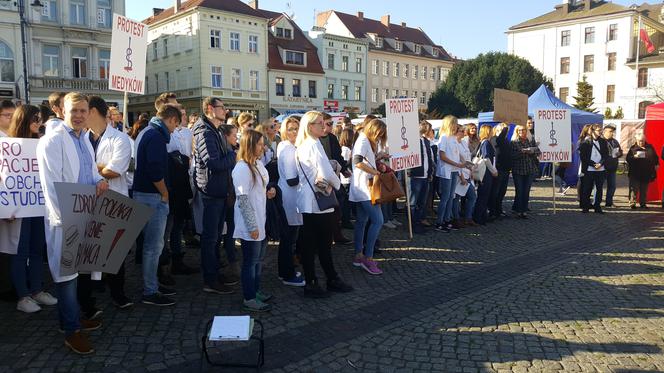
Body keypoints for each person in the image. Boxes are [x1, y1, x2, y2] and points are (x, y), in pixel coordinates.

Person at [37, 92, 109, 354]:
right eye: (73, 111)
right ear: (61, 112)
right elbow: (52, 185)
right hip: (66, 218)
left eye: (83, 111)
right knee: (66, 275)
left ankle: (72, 318)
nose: (79, 115)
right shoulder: (52, 141)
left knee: (78, 269)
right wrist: (68, 218)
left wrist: (99, 182)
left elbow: (89, 173)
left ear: (89, 112)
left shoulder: (85, 140)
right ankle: (71, 330)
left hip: (85, 212)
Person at [296, 111, 353, 297]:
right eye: (319, 123)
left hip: (309, 199)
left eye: (323, 122)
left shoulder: (304, 145)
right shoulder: (313, 144)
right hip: (318, 199)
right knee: (321, 243)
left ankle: (319, 280)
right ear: (310, 126)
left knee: (311, 243)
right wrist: (337, 184)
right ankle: (325, 280)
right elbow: (326, 172)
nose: (323, 126)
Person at [9, 105, 57, 313]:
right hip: (19, 207)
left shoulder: (41, 144)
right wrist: (6, 207)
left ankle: (37, 290)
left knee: (38, 248)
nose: (39, 122)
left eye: (40, 118)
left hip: (39, 204)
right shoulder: (9, 146)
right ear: (23, 120)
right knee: (20, 251)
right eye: (35, 119)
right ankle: (23, 296)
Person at [86, 96, 133, 309]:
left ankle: (118, 293)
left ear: (94, 112)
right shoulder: (82, 138)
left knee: (115, 250)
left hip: (114, 199)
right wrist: (100, 169)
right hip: (89, 200)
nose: (80, 116)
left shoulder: (119, 139)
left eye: (84, 111)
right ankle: (95, 288)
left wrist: (93, 170)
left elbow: (115, 170)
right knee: (92, 246)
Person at [133, 103, 182, 306]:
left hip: (147, 195)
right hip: (152, 196)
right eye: (176, 124)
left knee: (153, 245)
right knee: (153, 247)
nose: (175, 129)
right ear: (170, 119)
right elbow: (155, 170)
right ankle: (150, 291)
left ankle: (152, 284)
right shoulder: (155, 136)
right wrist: (165, 193)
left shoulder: (151, 133)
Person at [192, 97, 238, 294]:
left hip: (219, 190)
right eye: (221, 107)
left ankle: (215, 273)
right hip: (211, 191)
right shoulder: (204, 131)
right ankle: (210, 279)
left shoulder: (215, 129)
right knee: (210, 238)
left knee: (217, 236)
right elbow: (214, 163)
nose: (225, 110)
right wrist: (234, 155)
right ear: (210, 109)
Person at [233, 129, 274, 311]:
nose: (263, 147)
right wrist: (251, 225)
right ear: (250, 145)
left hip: (260, 218)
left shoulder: (257, 164)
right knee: (250, 262)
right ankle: (249, 297)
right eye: (259, 144)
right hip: (251, 223)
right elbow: (242, 199)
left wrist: (269, 191)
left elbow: (258, 188)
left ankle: (256, 291)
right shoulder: (242, 168)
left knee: (258, 260)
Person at [350, 118, 388, 274]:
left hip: (361, 188)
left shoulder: (364, 140)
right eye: (379, 134)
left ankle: (359, 255)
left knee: (362, 221)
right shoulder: (364, 141)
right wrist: (376, 172)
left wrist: (377, 159)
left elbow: (361, 161)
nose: (379, 137)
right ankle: (368, 257)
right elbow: (357, 161)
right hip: (365, 188)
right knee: (378, 221)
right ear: (373, 129)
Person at [276, 116, 305, 286]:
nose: (294, 132)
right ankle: (287, 274)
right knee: (288, 239)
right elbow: (291, 179)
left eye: (296, 128)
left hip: (291, 196)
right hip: (289, 197)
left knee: (289, 238)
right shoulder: (288, 149)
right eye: (290, 129)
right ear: (284, 131)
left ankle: (285, 271)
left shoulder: (289, 146)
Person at [320, 112, 351, 244]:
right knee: (325, 209)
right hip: (321, 180)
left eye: (332, 123)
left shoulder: (332, 138)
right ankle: (326, 237)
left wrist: (344, 170)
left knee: (337, 207)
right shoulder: (315, 140)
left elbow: (338, 156)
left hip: (334, 176)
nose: (331, 126)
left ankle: (337, 234)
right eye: (329, 123)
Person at [436, 115, 468, 232]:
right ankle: (439, 221)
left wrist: (463, 162)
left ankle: (447, 219)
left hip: (454, 170)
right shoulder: (444, 137)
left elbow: (458, 153)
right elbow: (442, 156)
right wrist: (457, 164)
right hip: (446, 171)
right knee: (445, 197)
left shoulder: (453, 138)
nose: (456, 126)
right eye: (454, 124)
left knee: (451, 196)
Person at [409, 121, 434, 234]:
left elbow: (429, 158)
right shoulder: (413, 141)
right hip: (416, 175)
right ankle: (413, 224)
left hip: (425, 175)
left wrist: (430, 173)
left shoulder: (426, 141)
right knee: (414, 201)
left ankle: (419, 221)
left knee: (422, 202)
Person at [511, 124, 540, 219]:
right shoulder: (514, 142)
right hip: (518, 170)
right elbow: (512, 156)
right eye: (519, 130)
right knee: (519, 191)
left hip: (530, 169)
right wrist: (522, 152)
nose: (521, 132)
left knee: (526, 191)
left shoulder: (530, 141)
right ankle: (518, 210)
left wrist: (532, 152)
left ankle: (524, 210)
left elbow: (538, 152)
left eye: (523, 130)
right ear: (517, 132)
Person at [579, 124, 609, 214]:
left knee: (599, 189)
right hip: (589, 169)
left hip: (600, 169)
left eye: (601, 130)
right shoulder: (586, 142)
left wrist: (601, 163)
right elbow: (583, 157)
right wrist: (593, 164)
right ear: (592, 131)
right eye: (598, 130)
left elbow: (606, 155)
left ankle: (597, 206)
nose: (600, 132)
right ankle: (586, 206)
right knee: (587, 188)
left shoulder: (603, 142)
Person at [627, 130, 659, 209]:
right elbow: (628, 159)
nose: (641, 142)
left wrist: (657, 164)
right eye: (640, 141)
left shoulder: (650, 147)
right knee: (634, 189)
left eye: (643, 140)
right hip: (635, 173)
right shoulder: (633, 148)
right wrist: (634, 157)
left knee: (644, 190)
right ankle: (632, 203)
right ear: (636, 140)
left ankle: (643, 203)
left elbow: (655, 157)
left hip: (647, 172)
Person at [472, 125, 497, 225]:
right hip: (485, 173)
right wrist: (493, 170)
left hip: (484, 173)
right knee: (483, 196)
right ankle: (479, 217)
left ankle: (481, 216)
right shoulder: (486, 142)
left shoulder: (482, 142)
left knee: (483, 195)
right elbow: (486, 158)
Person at [457, 125, 478, 226]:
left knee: (472, 196)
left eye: (463, 131)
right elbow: (458, 162)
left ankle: (468, 217)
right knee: (456, 198)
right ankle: (456, 218)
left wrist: (471, 171)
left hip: (467, 173)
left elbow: (467, 159)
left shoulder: (464, 143)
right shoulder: (455, 143)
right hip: (459, 175)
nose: (463, 133)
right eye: (461, 131)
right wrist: (461, 176)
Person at [490, 123, 511, 218]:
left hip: (505, 169)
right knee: (496, 191)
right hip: (498, 169)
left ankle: (499, 209)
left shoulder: (506, 140)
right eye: (502, 129)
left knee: (502, 191)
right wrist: (506, 126)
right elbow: (500, 139)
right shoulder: (495, 139)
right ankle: (493, 210)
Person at [602, 124, 622, 207]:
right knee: (599, 187)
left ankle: (609, 203)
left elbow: (620, 151)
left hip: (612, 168)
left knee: (612, 186)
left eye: (612, 132)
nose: (612, 133)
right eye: (610, 131)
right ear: (604, 132)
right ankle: (596, 203)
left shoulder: (615, 141)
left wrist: (619, 153)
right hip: (602, 167)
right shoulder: (600, 141)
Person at [339, 128, 354, 229]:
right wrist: (351, 159)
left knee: (347, 202)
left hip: (348, 178)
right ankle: (346, 220)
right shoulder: (345, 150)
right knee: (346, 202)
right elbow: (344, 164)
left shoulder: (348, 149)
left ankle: (347, 218)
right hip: (346, 179)